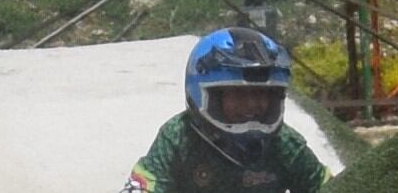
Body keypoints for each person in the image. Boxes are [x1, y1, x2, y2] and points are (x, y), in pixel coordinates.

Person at [123, 28, 326, 193]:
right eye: (238, 94)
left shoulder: (284, 143)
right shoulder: (178, 137)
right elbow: (144, 186)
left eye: (262, 94)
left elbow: (329, 186)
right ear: (204, 95)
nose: (252, 104)